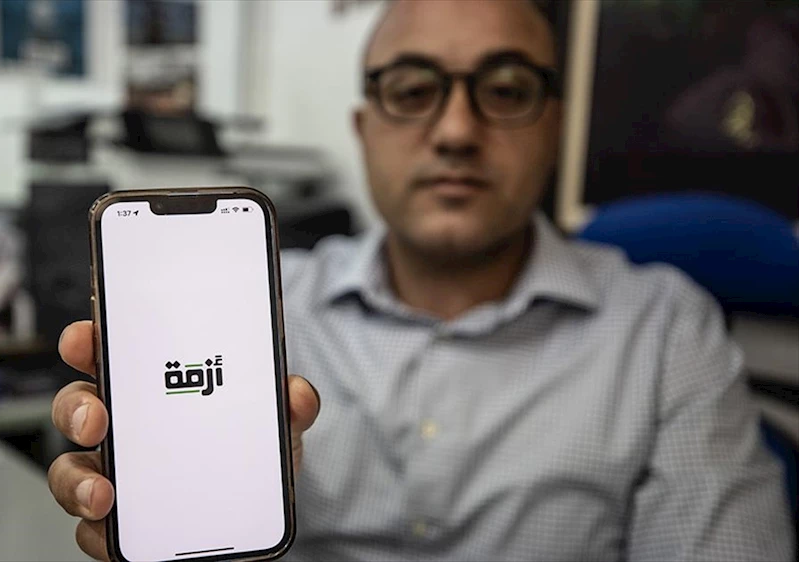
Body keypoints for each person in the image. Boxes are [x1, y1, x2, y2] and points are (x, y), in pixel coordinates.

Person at [47, 1, 794, 560]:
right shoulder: (261, 312)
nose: (456, 131)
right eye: (410, 91)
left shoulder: (667, 332)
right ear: (363, 128)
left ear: (552, 125)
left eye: (506, 90)